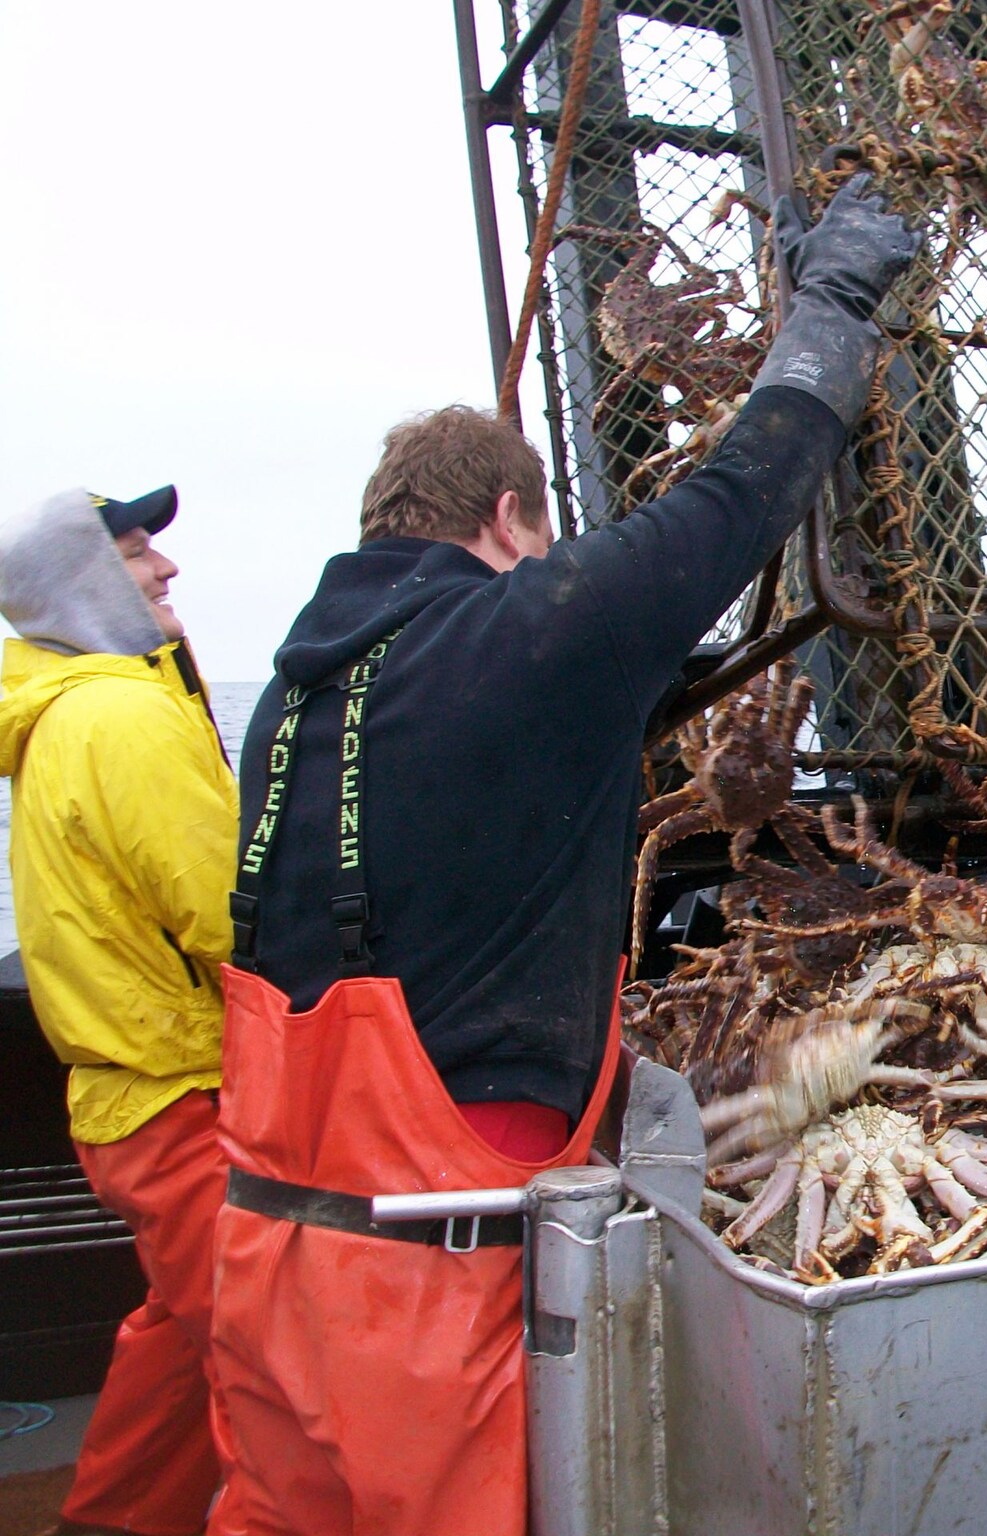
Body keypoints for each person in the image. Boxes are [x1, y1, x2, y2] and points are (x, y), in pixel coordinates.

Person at [206, 176, 916, 1534]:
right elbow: (740, 492)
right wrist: (827, 306)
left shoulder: (292, 704)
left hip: (270, 1267)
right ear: (517, 524)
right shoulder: (519, 634)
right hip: (427, 1289)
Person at [0, 486, 239, 1536]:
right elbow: (234, 913)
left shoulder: (72, 710)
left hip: (128, 1102)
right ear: (87, 583)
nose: (168, 570)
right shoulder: (124, 717)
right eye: (142, 555)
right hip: (182, 1098)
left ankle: (105, 1523)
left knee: (185, 1338)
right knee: (273, 1367)